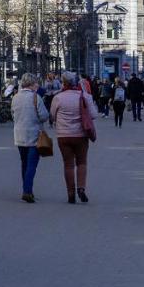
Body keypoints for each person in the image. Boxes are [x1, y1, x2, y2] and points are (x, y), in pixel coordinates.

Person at [49, 71, 97, 204]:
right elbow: (93, 115)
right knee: (82, 162)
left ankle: (70, 194)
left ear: (63, 82)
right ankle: (81, 188)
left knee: (68, 165)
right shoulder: (84, 96)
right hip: (81, 135)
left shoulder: (58, 97)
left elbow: (52, 115)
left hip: (63, 136)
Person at [11, 73, 49, 203]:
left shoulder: (15, 98)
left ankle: (27, 190)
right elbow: (44, 116)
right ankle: (27, 191)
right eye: (36, 83)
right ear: (31, 84)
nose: (37, 85)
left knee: (24, 163)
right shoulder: (36, 97)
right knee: (32, 164)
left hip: (19, 135)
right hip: (34, 135)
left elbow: (13, 115)